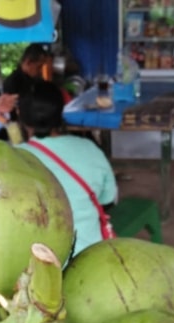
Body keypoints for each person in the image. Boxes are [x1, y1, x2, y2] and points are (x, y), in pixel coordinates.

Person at [18, 79, 117, 258]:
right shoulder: (89, 148)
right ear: (61, 111)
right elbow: (108, 199)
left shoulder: (14, 159)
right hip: (91, 257)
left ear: (21, 116)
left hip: (39, 262)